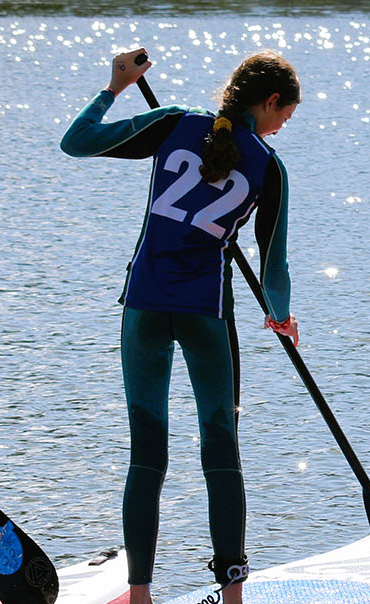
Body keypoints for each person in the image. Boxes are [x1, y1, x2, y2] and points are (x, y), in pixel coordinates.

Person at [60, 47, 300, 604]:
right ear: (268, 103)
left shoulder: (172, 123)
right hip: (206, 315)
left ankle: (140, 595)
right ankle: (233, 595)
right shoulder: (268, 165)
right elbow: (274, 268)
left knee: (147, 453)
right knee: (221, 450)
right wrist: (281, 318)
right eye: (286, 112)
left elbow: (76, 142)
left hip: (143, 307)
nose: (285, 124)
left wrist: (115, 86)